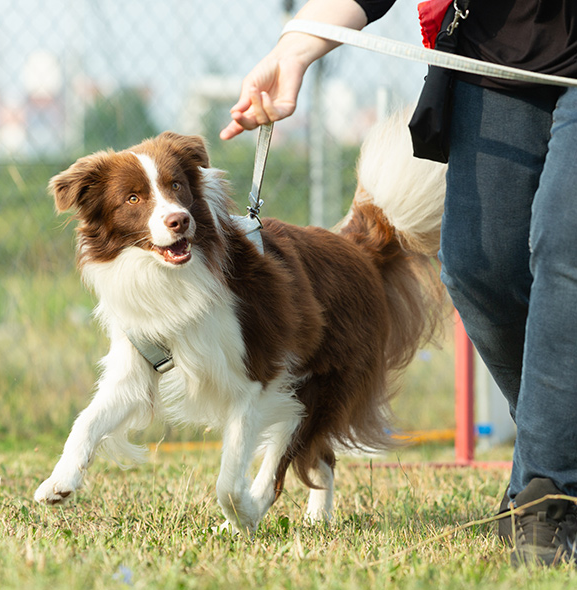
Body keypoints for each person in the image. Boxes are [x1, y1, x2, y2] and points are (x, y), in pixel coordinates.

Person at [220, 0, 577, 567]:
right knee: (476, 268)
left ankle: (548, 497)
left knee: (566, 246)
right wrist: (297, 43)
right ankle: (557, 457)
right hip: (498, 50)